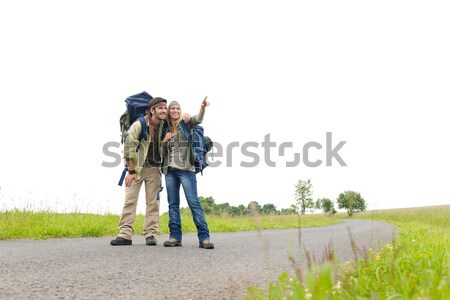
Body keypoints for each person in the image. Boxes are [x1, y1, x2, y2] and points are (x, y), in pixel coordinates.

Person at [110, 97, 167, 246]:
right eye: (160, 108)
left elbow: (180, 119)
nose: (163, 111)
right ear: (152, 110)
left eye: (165, 108)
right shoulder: (139, 124)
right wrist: (131, 171)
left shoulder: (164, 125)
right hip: (136, 169)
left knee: (153, 202)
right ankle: (125, 234)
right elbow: (129, 146)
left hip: (154, 168)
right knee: (130, 201)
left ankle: (150, 234)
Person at [161, 98, 214, 249]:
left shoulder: (186, 123)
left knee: (193, 203)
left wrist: (202, 108)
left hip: (187, 170)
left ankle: (204, 237)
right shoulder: (166, 129)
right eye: (172, 109)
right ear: (169, 112)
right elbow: (162, 153)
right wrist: (164, 141)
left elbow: (199, 119)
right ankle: (175, 237)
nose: (175, 111)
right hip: (170, 171)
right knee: (173, 205)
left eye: (177, 109)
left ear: (180, 111)